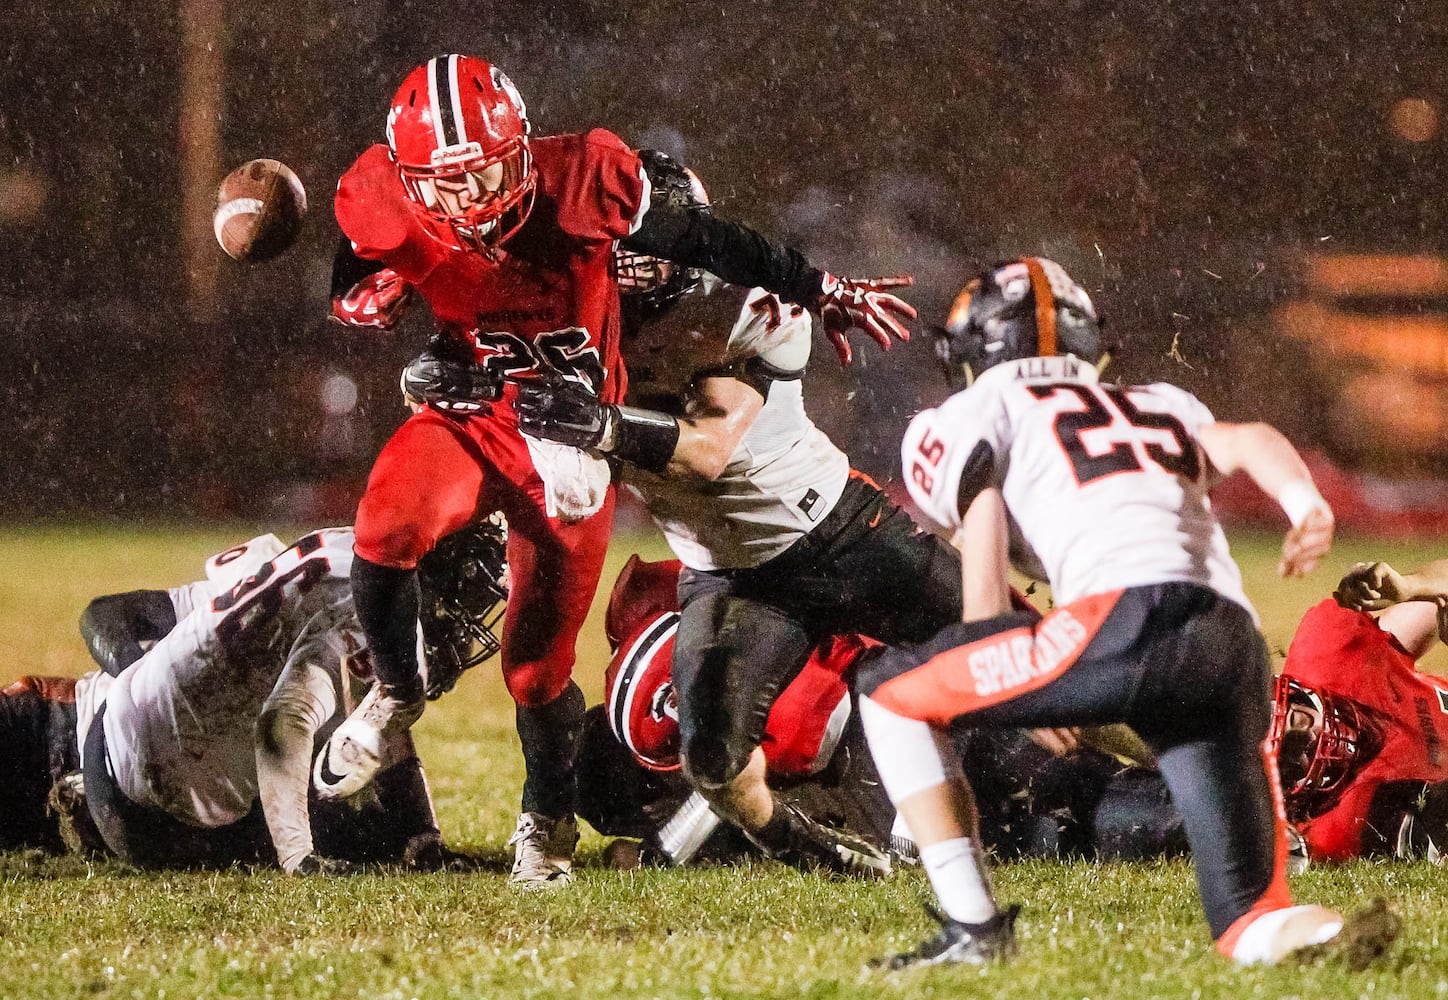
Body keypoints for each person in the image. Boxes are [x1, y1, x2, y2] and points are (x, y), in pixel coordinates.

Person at [327, 54, 915, 889]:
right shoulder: (378, 194)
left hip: (568, 446)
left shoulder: (588, 185)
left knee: (537, 669)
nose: (472, 196)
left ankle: (547, 822)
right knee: (385, 524)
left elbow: (711, 240)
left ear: (521, 148)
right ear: (408, 175)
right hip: (474, 416)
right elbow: (353, 264)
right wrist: (367, 299)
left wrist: (816, 286)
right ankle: (395, 693)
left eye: (488, 169)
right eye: (447, 181)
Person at [850, 256, 1384, 969]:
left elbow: (982, 570)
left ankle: (974, 931)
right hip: (1227, 643)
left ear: (976, 350)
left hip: (1122, 624)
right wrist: (1306, 505)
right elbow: (1252, 438)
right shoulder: (1160, 400)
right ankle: (1330, 935)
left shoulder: (976, 411)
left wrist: (1005, 665)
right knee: (1250, 923)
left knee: (889, 695)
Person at [509, 153, 1005, 879]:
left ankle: (1191, 754)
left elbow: (708, 451)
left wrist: (605, 426)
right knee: (711, 759)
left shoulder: (738, 309)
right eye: (630, 245)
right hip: (728, 575)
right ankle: (818, 854)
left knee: (1028, 650)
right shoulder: (577, 326)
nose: (641, 263)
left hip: (838, 535)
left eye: (661, 245)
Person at [575, 555, 1187, 868]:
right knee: (1068, 774)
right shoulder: (675, 630)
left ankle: (1209, 790)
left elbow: (723, 796)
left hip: (891, 719)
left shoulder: (657, 731)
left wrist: (655, 852)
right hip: (905, 691)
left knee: (1062, 807)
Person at [72, 523, 506, 873]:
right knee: (363, 828)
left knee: (354, 717)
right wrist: (299, 858)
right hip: (153, 821)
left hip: (106, 729)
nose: (467, 631)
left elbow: (113, 614)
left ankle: (419, 840)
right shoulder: (374, 616)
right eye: (466, 604)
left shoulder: (339, 542)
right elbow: (282, 724)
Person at [1270, 557, 1448, 862]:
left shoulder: (1328, 652)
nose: (1312, 743)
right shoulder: (1336, 827)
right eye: (1290, 760)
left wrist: (1410, 586)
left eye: (1299, 722)